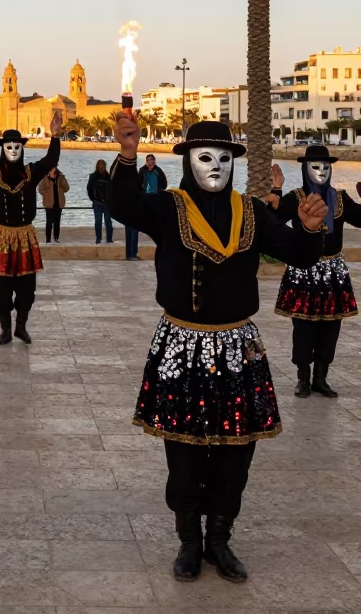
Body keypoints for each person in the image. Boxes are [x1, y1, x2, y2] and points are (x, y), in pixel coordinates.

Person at [108, 115, 327, 584]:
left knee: (237, 451)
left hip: (237, 348)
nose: (215, 166)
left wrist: (310, 230)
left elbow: (298, 252)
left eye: (224, 159)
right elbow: (122, 205)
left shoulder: (253, 212)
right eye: (205, 157)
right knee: (183, 451)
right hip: (181, 343)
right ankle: (189, 540)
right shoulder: (168, 207)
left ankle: (220, 539)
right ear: (187, 161)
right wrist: (127, 156)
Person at [270, 148, 361, 398]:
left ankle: (321, 378)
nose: (321, 172)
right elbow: (273, 220)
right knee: (303, 324)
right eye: (315, 167)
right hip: (304, 269)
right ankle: (303, 378)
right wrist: (276, 189)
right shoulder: (295, 197)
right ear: (304, 169)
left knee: (331, 324)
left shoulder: (341, 199)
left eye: (326, 167)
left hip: (334, 271)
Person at [0, 110, 63, 344]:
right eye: (8, 147)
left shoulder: (31, 173)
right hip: (1, 236)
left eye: (16, 147)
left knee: (27, 287)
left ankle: (21, 326)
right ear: (2, 149)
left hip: (25, 237)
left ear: (22, 148)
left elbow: (51, 159)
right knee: (1, 286)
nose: (12, 151)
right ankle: (5, 330)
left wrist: (56, 135)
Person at [126, 153, 169, 260]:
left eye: (152, 160)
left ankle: (164, 252)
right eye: (149, 160)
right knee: (134, 227)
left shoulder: (158, 171)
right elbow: (138, 184)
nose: (151, 162)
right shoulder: (142, 171)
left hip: (156, 200)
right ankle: (131, 254)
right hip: (144, 199)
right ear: (146, 161)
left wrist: (160, 192)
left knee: (160, 225)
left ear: (154, 161)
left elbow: (164, 183)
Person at [38, 165, 70, 243]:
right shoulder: (46, 178)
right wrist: (46, 195)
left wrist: (62, 180)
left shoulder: (60, 177)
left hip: (58, 203)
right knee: (49, 222)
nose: (53, 169)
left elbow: (66, 188)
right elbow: (41, 190)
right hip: (49, 204)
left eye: (54, 167)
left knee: (57, 222)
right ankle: (48, 240)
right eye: (52, 168)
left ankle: (56, 238)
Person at [87, 159, 114, 244]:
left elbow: (112, 190)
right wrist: (93, 199)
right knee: (98, 221)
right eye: (100, 165)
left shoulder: (108, 177)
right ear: (97, 166)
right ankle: (98, 239)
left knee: (108, 221)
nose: (102, 167)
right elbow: (89, 189)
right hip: (97, 203)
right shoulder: (93, 176)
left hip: (107, 203)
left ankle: (109, 239)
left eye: (103, 165)